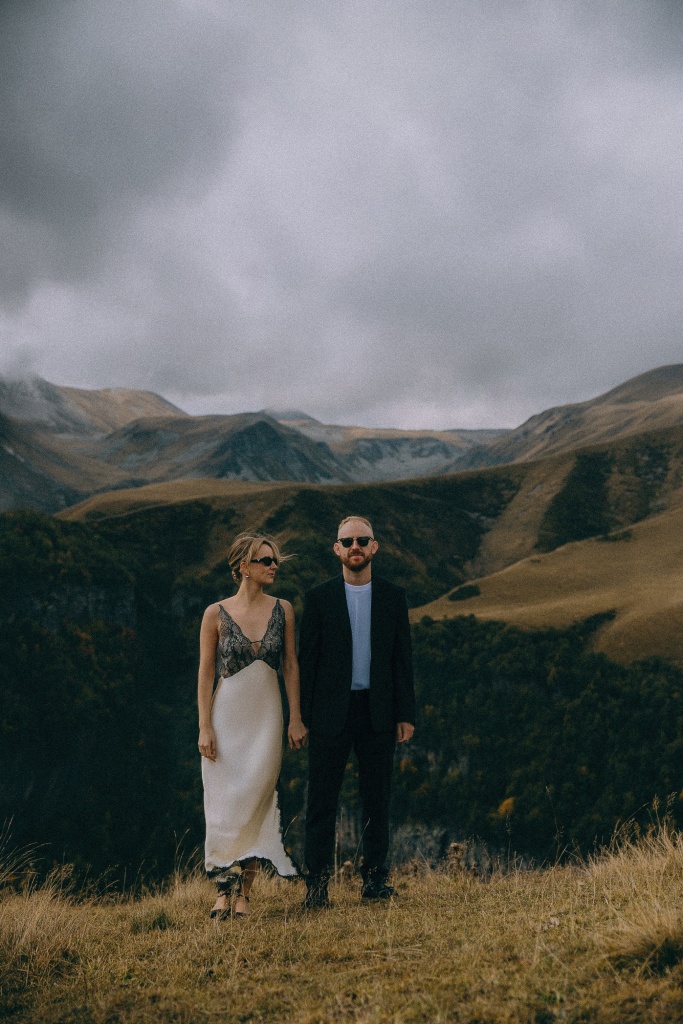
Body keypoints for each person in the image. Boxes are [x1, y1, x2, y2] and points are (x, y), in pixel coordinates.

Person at [298, 515, 415, 908]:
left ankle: (375, 881)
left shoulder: (393, 596)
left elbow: (402, 658)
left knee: (377, 800)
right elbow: (306, 663)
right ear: (337, 549)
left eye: (362, 540)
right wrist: (299, 718)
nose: (355, 547)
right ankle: (316, 887)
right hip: (329, 713)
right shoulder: (319, 598)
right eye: (347, 541)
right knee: (321, 802)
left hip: (378, 711)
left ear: (374, 546)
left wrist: (406, 713)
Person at [197, 533, 307, 919]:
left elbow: (290, 665)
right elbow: (205, 672)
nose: (274, 566)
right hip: (226, 717)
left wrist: (295, 717)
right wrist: (204, 726)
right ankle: (223, 891)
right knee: (224, 803)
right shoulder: (215, 613)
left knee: (256, 799)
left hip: (268, 718)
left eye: (275, 560)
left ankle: (245, 892)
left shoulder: (283, 609)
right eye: (265, 561)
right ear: (243, 567)